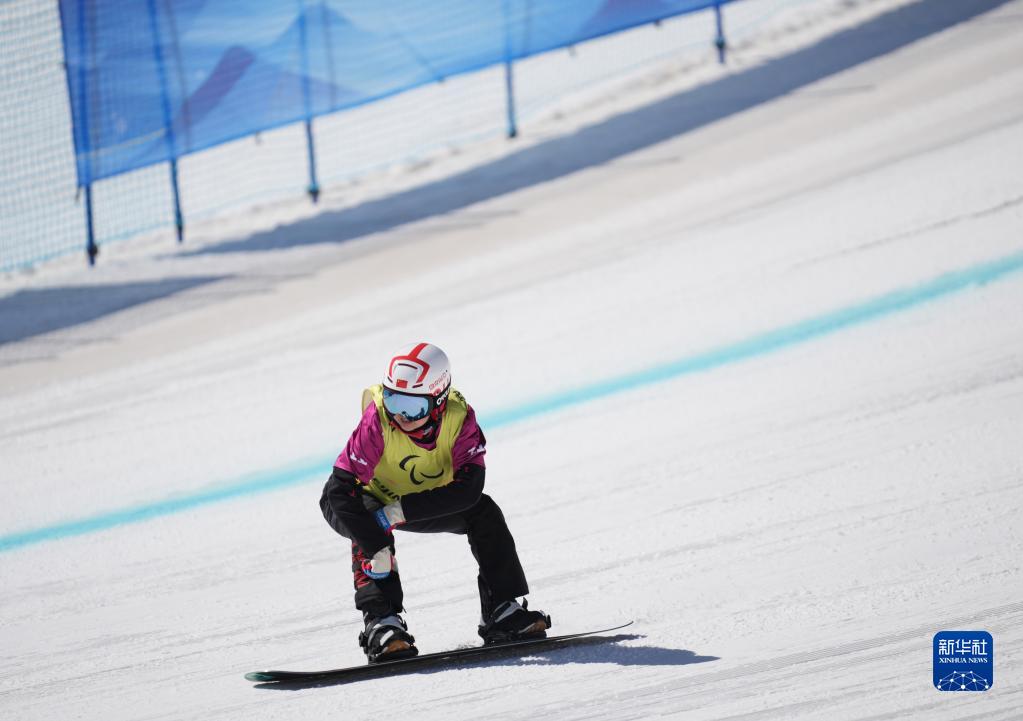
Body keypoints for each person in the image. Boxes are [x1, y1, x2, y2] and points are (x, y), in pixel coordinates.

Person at [320, 342, 550, 663]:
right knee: (370, 526)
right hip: (362, 499)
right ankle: (381, 622)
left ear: (439, 401)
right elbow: (338, 493)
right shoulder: (379, 420)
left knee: (485, 514)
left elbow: (468, 491)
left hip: (408, 502)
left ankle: (501, 608)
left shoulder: (460, 419)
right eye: (392, 399)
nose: (399, 415)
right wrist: (376, 545)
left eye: (412, 407)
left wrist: (398, 513)